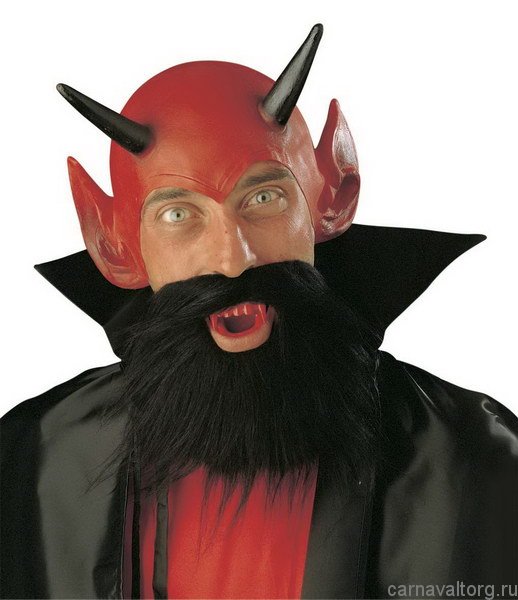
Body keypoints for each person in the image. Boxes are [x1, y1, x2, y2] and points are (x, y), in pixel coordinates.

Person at [1, 24, 517, 600]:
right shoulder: (33, 459)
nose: (232, 258)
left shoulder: (473, 456)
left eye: (264, 199)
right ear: (117, 244)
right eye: (178, 215)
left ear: (329, 200)